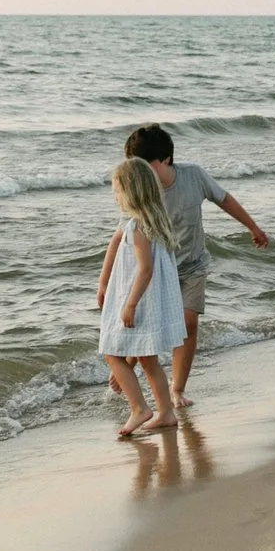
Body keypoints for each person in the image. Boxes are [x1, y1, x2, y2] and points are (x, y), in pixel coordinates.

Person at [122, 124, 270, 407]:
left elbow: (224, 199)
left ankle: (177, 390)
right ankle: (126, 364)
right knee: (144, 326)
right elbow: (124, 232)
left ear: (166, 159)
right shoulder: (140, 188)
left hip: (192, 265)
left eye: (144, 165)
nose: (137, 173)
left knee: (188, 324)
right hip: (155, 269)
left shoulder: (194, 176)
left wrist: (253, 227)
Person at [94, 157, 185, 438]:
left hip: (138, 298)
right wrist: (102, 283)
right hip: (144, 297)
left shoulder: (138, 228)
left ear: (132, 192)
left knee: (112, 353)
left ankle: (139, 409)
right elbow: (112, 246)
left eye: (117, 190)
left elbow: (145, 270)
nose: (114, 195)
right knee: (147, 358)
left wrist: (129, 304)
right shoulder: (142, 222)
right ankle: (165, 412)